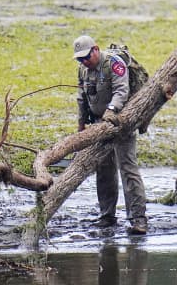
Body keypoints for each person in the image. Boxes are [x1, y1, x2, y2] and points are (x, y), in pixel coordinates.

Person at [73, 34, 148, 235]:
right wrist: (81, 124)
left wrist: (111, 110)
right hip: (98, 126)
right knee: (104, 170)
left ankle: (138, 219)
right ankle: (107, 216)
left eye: (86, 57)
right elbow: (82, 97)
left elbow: (121, 91)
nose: (84, 61)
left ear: (96, 50)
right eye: (80, 59)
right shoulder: (82, 70)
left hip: (121, 123)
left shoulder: (115, 64)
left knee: (127, 168)